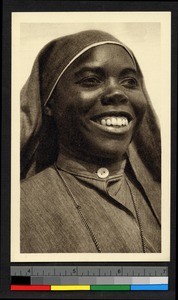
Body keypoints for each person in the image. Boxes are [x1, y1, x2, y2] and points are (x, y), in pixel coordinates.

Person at [20, 30, 161, 253]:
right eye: (91, 80)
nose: (117, 92)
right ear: (49, 102)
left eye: (130, 81)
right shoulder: (19, 207)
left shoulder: (162, 196)